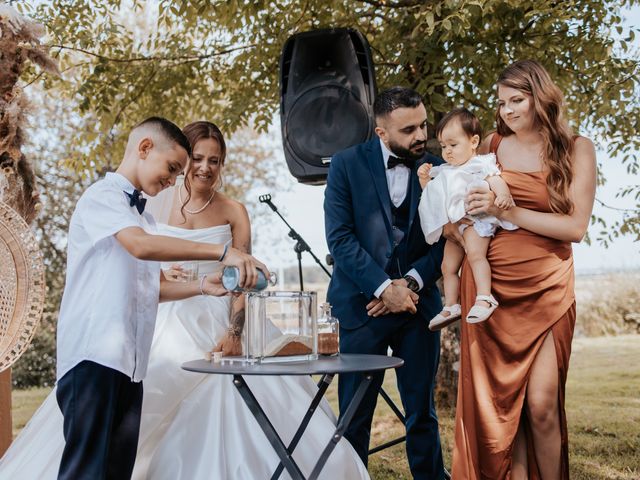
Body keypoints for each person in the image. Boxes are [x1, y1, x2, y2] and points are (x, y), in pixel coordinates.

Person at [0, 121, 369, 480]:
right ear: (145, 148)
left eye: (205, 163)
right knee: (86, 469)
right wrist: (223, 252)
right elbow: (142, 247)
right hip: (94, 357)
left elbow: (150, 289)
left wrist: (201, 287)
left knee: (116, 470)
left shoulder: (141, 213)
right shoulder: (104, 197)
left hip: (131, 365)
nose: (177, 178)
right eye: (175, 167)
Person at [451, 60, 596, 479]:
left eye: (517, 100)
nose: (508, 110)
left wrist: (508, 209)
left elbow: (575, 227)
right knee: (502, 407)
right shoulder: (489, 146)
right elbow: (457, 201)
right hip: (490, 291)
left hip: (547, 289)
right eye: (502, 102)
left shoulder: (576, 148)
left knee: (542, 405)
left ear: (540, 96)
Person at [324, 86, 446, 479]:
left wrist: (408, 285)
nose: (420, 136)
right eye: (409, 129)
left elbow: (447, 240)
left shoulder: (440, 169)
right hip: (363, 308)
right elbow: (340, 238)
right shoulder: (345, 165)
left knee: (422, 414)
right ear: (381, 132)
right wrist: (382, 288)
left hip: (418, 308)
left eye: (423, 125)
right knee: (354, 418)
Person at [417, 107, 517, 331]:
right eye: (443, 146)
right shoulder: (445, 170)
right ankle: (452, 305)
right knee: (447, 266)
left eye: (453, 145)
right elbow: (432, 194)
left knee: (475, 255)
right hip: (455, 226)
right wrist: (424, 179)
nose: (447, 152)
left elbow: (495, 179)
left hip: (475, 221)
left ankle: (484, 297)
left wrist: (503, 195)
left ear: (473, 141)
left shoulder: (480, 164)